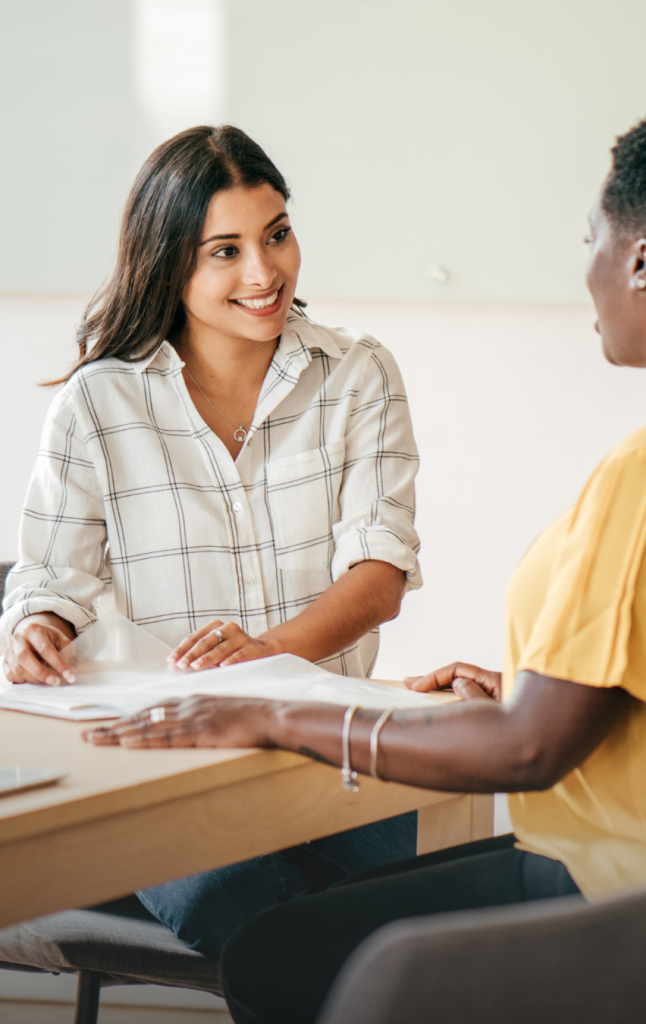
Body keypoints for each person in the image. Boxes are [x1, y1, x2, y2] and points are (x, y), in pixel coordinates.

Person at [86, 100, 646, 1024]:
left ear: (641, 261)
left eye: (593, 238)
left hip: (628, 893)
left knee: (273, 954)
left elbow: (527, 749)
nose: (585, 265)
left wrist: (272, 713)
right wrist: (526, 684)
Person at [0, 125, 423, 954]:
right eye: (223, 251)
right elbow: (48, 579)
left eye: (275, 235)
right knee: (251, 908)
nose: (264, 273)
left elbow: (378, 576)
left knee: (436, 884)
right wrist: (36, 630)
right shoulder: (97, 404)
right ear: (169, 264)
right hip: (168, 772)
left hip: (329, 763)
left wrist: (261, 656)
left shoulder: (357, 375)